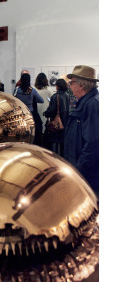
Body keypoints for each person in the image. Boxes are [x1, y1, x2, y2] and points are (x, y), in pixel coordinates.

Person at [64, 65, 99, 195]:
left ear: (82, 85)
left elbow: (92, 143)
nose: (70, 86)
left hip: (85, 174)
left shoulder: (91, 105)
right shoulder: (87, 102)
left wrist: (79, 170)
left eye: (72, 82)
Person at [43, 79, 69, 156]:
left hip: (56, 125)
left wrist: (45, 113)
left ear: (57, 86)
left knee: (54, 146)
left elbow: (51, 110)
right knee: (62, 146)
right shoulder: (67, 96)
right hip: (64, 123)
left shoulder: (55, 97)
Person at [34, 73, 53, 144]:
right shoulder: (49, 90)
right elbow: (52, 100)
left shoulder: (33, 89)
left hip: (36, 111)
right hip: (45, 110)